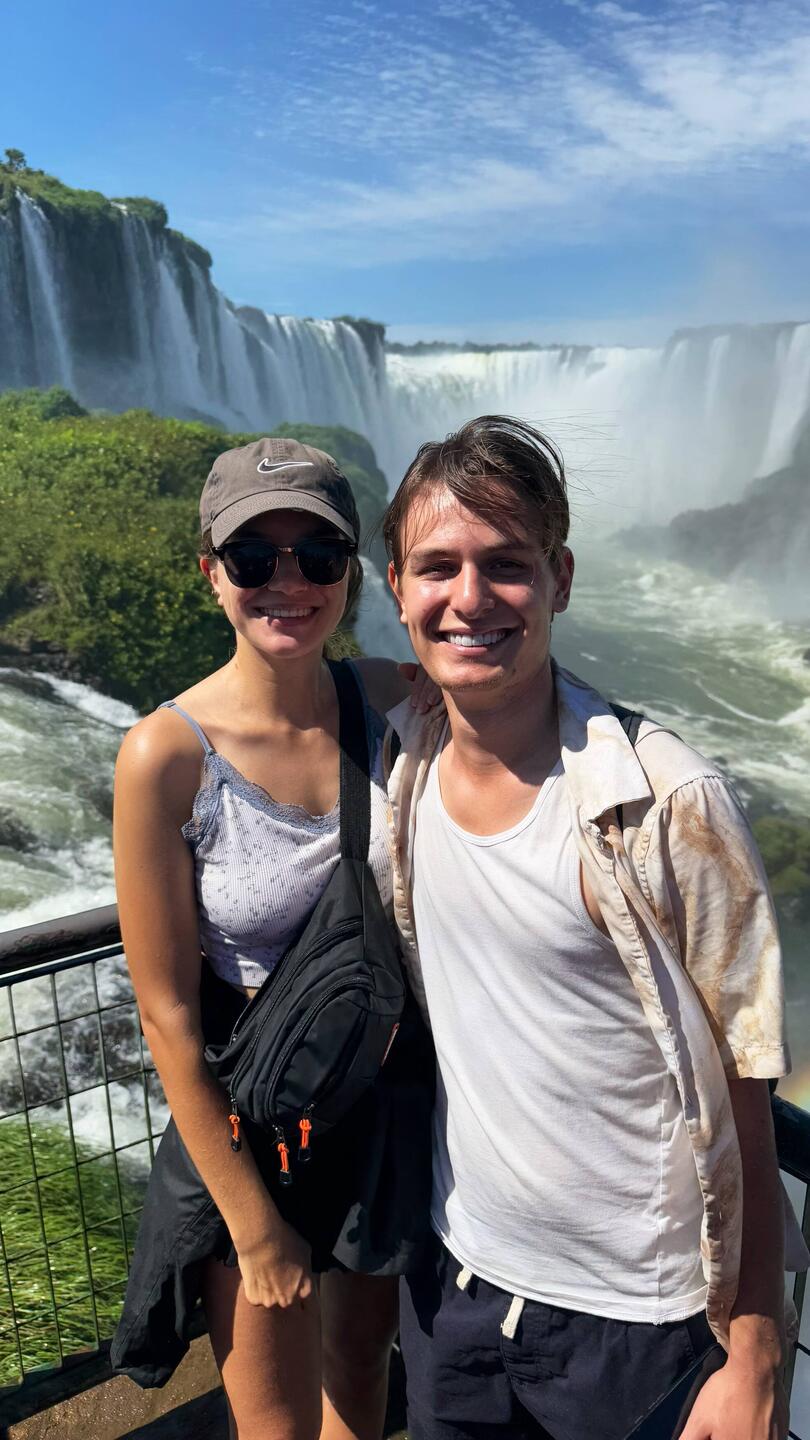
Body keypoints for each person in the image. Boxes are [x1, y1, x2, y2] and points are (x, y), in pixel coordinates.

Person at [380, 414, 809, 1440]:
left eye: (507, 565)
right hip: (458, 1294)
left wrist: (753, 1355)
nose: (471, 598)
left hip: (642, 1324)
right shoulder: (401, 763)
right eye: (437, 567)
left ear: (561, 578)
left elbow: (746, 1084)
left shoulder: (670, 805)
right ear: (395, 588)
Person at [112, 436, 434, 1440]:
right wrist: (251, 1225)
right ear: (211, 573)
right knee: (278, 1430)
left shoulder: (388, 701)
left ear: (351, 576)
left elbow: (530, 704)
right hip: (260, 1142)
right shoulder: (167, 755)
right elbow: (166, 1014)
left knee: (362, 1396)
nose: (286, 582)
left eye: (317, 557)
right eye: (254, 559)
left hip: (378, 1120)